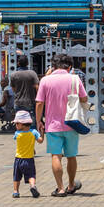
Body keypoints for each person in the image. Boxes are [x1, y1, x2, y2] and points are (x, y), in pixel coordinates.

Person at [36, 52, 89, 196]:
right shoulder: (74, 79)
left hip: (52, 125)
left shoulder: (45, 81)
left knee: (56, 155)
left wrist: (38, 121)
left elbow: (40, 102)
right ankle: (71, 185)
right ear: (70, 66)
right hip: (72, 123)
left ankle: (60, 188)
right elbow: (84, 99)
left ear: (53, 66)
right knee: (71, 156)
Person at [11, 110, 43, 198]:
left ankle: (15, 191)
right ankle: (32, 186)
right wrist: (42, 132)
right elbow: (40, 141)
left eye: (17, 123)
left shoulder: (17, 134)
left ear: (22, 124)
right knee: (31, 175)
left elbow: (17, 139)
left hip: (18, 159)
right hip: (29, 159)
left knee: (16, 176)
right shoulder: (33, 132)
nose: (16, 125)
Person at [9, 54, 40, 122]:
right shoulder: (32, 73)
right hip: (30, 102)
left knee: (20, 123)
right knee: (31, 124)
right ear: (27, 63)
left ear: (18, 63)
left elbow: (13, 89)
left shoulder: (13, 75)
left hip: (18, 102)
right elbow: (37, 87)